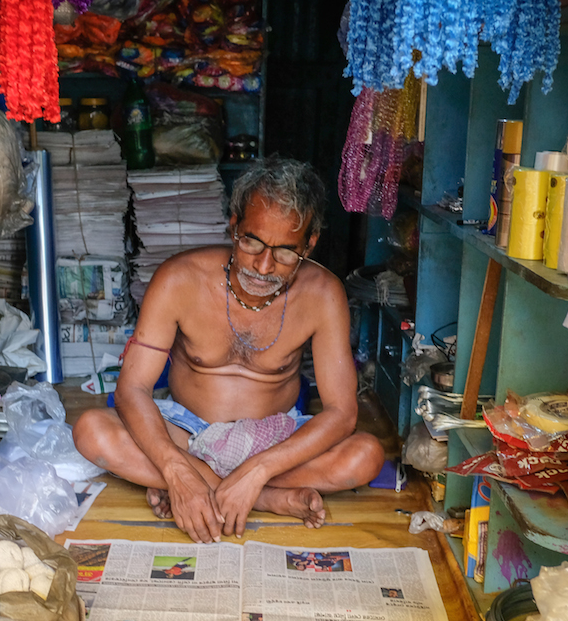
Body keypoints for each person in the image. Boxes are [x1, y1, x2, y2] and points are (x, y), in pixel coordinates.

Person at [75, 157, 385, 543]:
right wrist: (175, 469)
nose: (265, 265)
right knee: (91, 431)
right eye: (253, 242)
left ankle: (233, 489)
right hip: (186, 436)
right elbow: (131, 389)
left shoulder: (323, 294)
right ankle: (267, 498)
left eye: (287, 252)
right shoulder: (179, 279)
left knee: (365, 456)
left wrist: (257, 470)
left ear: (311, 243)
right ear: (234, 225)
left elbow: (342, 413)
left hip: (275, 441)